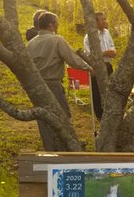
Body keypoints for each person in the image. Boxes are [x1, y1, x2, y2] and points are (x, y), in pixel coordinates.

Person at [27, 12, 93, 150]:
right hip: (52, 83)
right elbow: (72, 59)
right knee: (63, 115)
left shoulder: (31, 43)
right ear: (51, 25)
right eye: (56, 23)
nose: (57, 26)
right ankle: (68, 146)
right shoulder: (57, 39)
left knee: (43, 117)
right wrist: (88, 68)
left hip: (36, 85)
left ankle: (50, 147)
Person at [83, 12, 116, 119]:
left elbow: (112, 45)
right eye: (102, 20)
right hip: (96, 67)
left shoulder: (107, 33)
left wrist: (113, 52)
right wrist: (104, 53)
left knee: (110, 89)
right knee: (96, 92)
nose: (105, 21)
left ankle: (110, 112)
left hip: (108, 65)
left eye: (105, 19)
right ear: (95, 22)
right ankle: (99, 115)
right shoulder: (89, 37)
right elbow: (89, 55)